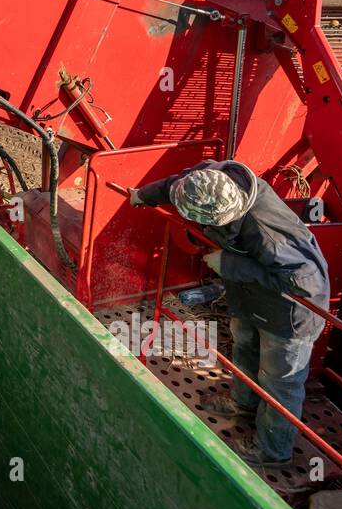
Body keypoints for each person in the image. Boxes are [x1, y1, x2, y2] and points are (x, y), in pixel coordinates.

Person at [130, 160, 329, 469]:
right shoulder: (207, 179)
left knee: (279, 382)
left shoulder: (267, 234)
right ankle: (243, 403)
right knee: (244, 347)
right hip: (251, 297)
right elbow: (174, 186)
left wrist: (229, 265)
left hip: (288, 312)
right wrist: (142, 195)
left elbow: (303, 282)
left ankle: (273, 451)